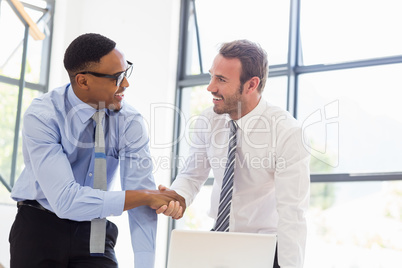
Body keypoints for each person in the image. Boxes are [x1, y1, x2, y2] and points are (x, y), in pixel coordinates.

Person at [9, 33, 185, 268]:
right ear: (83, 81)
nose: (126, 84)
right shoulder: (43, 116)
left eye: (126, 72)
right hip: (39, 227)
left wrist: (145, 264)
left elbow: (142, 200)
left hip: (96, 229)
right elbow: (66, 200)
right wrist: (145, 195)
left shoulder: (129, 121)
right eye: (117, 77)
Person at [160, 40, 310, 268]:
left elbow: (293, 214)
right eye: (212, 76)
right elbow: (191, 175)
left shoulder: (287, 132)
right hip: (220, 241)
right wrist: (177, 196)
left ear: (251, 85)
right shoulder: (208, 120)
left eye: (221, 80)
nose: (210, 87)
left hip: (266, 248)